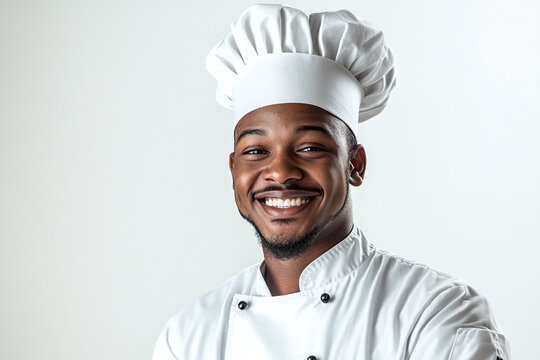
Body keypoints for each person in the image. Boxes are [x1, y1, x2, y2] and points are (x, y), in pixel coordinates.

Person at [153, 4, 510, 359]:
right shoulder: (189, 336)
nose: (279, 172)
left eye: (309, 147)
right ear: (234, 170)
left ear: (354, 164)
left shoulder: (434, 314)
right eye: (256, 151)